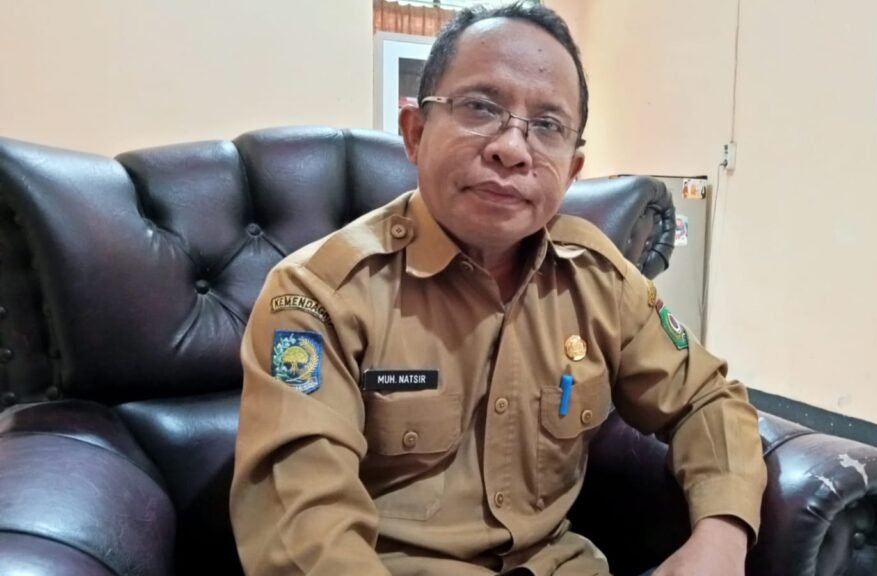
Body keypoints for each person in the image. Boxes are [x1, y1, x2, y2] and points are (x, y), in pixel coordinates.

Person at [230, 3, 766, 575]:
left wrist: (721, 538)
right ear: (415, 133)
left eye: (548, 126)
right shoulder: (318, 296)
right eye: (481, 108)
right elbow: (305, 535)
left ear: (572, 168)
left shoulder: (598, 278)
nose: (512, 149)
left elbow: (707, 399)